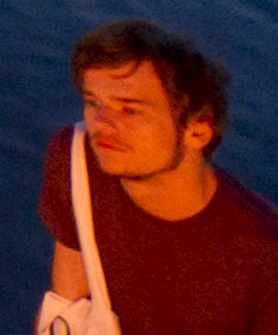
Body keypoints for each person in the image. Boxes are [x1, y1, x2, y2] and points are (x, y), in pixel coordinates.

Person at [41, 21, 278, 335]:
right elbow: (69, 303)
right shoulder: (75, 158)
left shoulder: (262, 258)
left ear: (197, 131)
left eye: (130, 111)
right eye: (94, 103)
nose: (102, 125)